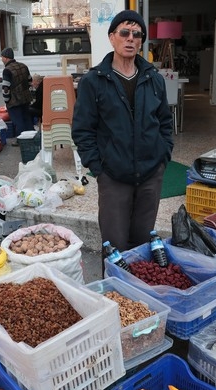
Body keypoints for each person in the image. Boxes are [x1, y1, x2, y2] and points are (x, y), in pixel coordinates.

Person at [71, 10, 174, 263]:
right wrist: (98, 167)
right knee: (114, 245)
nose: (131, 39)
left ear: (141, 42)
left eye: (137, 34)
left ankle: (137, 299)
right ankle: (115, 297)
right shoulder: (94, 81)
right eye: (124, 33)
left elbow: (164, 121)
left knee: (142, 243)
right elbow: (83, 129)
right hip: (113, 176)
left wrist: (163, 155)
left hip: (151, 173)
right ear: (112, 38)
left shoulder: (153, 79)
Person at [0, 48, 34, 146]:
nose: (1, 59)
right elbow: (29, 80)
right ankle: (32, 137)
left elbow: (6, 87)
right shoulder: (23, 66)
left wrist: (6, 100)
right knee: (27, 118)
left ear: (6, 58)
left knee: (18, 121)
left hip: (14, 100)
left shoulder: (7, 70)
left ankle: (21, 140)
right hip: (26, 98)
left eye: (2, 57)